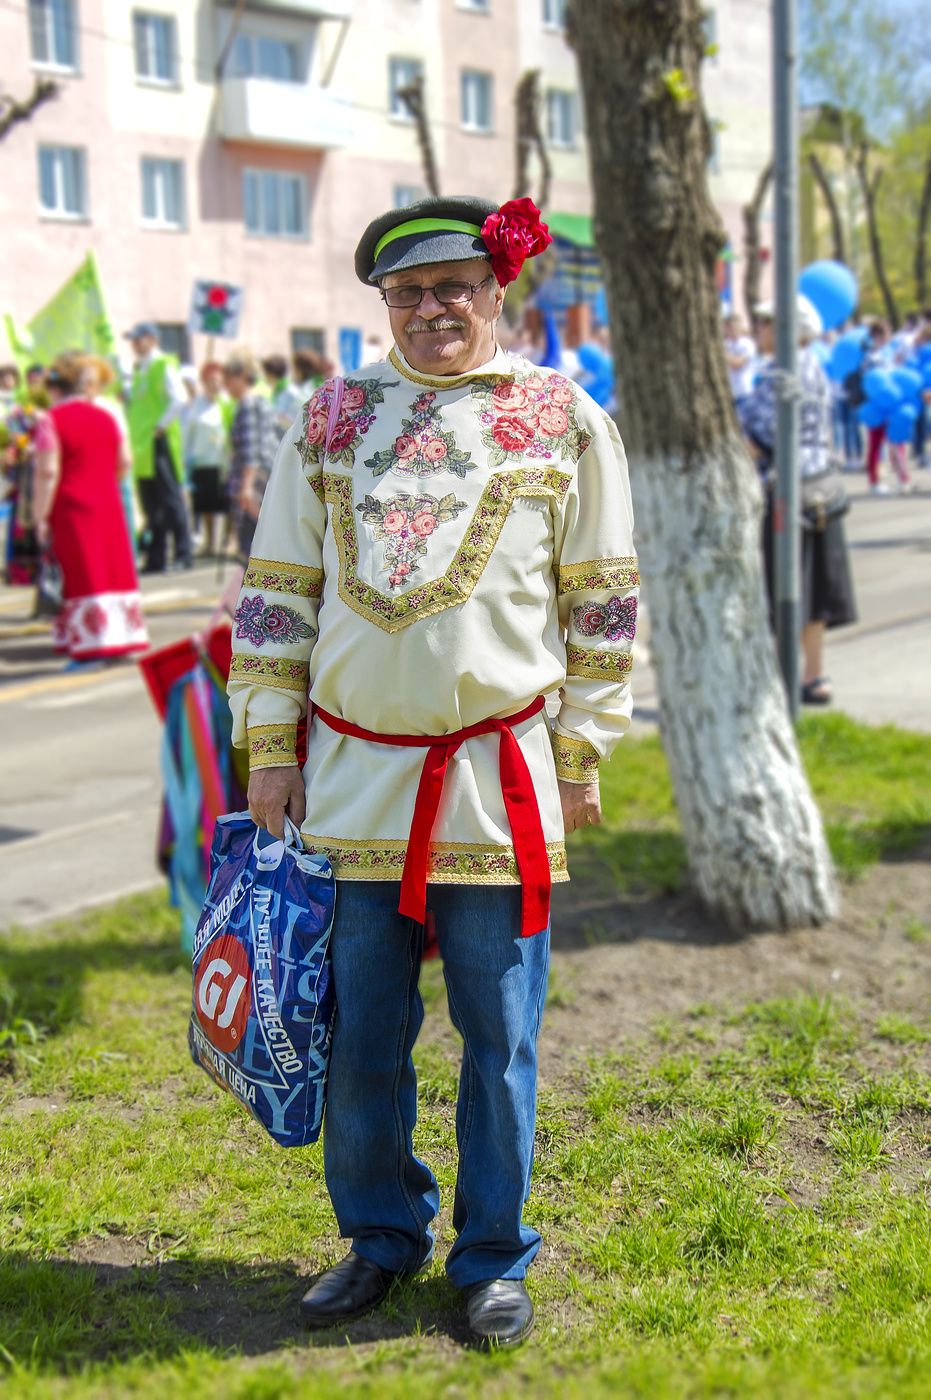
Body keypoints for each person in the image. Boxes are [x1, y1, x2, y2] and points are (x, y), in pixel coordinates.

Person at [229, 195, 638, 1348]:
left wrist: (583, 749)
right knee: (358, 1025)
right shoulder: (332, 415)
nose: (431, 308)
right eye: (407, 292)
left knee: (498, 1029)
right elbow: (275, 590)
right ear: (382, 305)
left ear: (497, 290)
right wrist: (269, 744)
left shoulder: (562, 416)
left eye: (453, 286)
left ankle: (493, 1255)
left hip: (496, 779)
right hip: (351, 778)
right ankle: (377, 1236)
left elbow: (600, 599)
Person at [741, 297, 856, 707]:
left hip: (789, 491)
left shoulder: (785, 368)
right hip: (819, 486)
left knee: (784, 585)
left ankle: (782, 678)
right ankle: (812, 674)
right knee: (815, 589)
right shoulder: (812, 363)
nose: (759, 328)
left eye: (766, 321)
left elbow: (763, 435)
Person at [32, 353, 148, 667]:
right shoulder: (106, 416)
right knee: (113, 570)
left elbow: (47, 472)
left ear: (55, 388)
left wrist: (39, 514)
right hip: (108, 502)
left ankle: (91, 649)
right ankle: (122, 639)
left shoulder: (50, 420)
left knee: (83, 573)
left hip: (71, 505)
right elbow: (124, 462)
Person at [125, 321, 193, 572]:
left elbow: (180, 398)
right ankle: (156, 558)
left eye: (138, 338)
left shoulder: (163, 364)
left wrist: (160, 427)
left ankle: (183, 554)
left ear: (152, 340)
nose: (134, 344)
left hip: (157, 442)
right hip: (142, 446)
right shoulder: (140, 369)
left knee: (171, 500)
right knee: (151, 505)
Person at [223, 352, 279, 561]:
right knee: (266, 542)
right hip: (268, 475)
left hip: (255, 481)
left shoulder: (247, 405)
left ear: (241, 377)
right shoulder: (262, 402)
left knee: (253, 547)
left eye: (228, 379)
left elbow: (251, 451)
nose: (225, 385)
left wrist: (245, 487)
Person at [184, 362, 230, 556]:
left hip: (223, 461)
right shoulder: (197, 404)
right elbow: (189, 432)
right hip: (203, 461)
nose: (214, 384)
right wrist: (186, 458)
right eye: (210, 381)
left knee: (227, 503)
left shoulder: (226, 402)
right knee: (206, 505)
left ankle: (228, 541)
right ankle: (210, 542)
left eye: (218, 380)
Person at [862, 320, 911, 495]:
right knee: (876, 443)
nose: (889, 338)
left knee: (898, 441)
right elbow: (868, 383)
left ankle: (903, 479)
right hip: (876, 405)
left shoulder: (891, 353)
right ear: (877, 336)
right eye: (886, 334)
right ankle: (874, 482)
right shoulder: (870, 357)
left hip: (894, 404)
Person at [723, 313, 757, 412]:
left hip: (744, 392)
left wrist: (723, 353)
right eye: (729, 327)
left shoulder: (747, 344)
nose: (732, 330)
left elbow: (737, 364)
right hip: (728, 393)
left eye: (734, 326)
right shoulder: (725, 344)